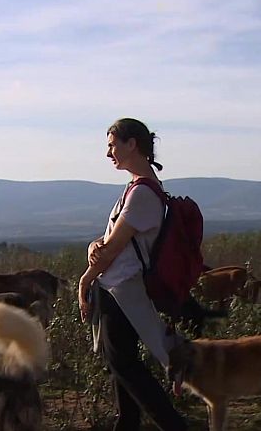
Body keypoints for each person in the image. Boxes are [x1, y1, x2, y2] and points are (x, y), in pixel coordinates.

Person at [78, 118, 188, 431]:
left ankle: (174, 426)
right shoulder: (138, 188)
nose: (108, 153)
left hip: (122, 289)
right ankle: (127, 423)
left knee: (123, 364)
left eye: (112, 145)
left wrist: (84, 281)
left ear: (132, 144)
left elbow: (112, 250)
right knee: (121, 363)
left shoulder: (142, 193)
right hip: (118, 287)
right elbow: (109, 242)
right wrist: (94, 245)